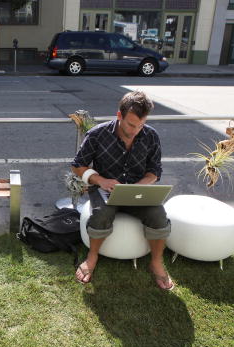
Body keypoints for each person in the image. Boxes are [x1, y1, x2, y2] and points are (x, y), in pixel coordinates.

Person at [71, 90, 174, 290]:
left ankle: (156, 263)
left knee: (159, 215)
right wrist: (100, 180)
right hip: (104, 188)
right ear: (119, 115)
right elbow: (77, 165)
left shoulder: (151, 136)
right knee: (102, 215)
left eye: (141, 125)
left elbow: (155, 171)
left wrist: (140, 186)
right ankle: (92, 257)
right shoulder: (97, 134)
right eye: (131, 124)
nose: (136, 130)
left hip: (138, 189)